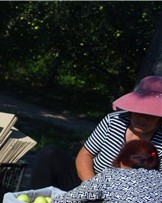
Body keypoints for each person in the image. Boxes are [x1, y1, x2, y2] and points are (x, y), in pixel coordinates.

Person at [30, 76, 162, 190]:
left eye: (150, 115)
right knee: (50, 154)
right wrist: (92, 188)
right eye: (139, 111)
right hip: (88, 182)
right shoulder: (115, 120)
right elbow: (85, 154)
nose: (143, 118)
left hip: (125, 201)